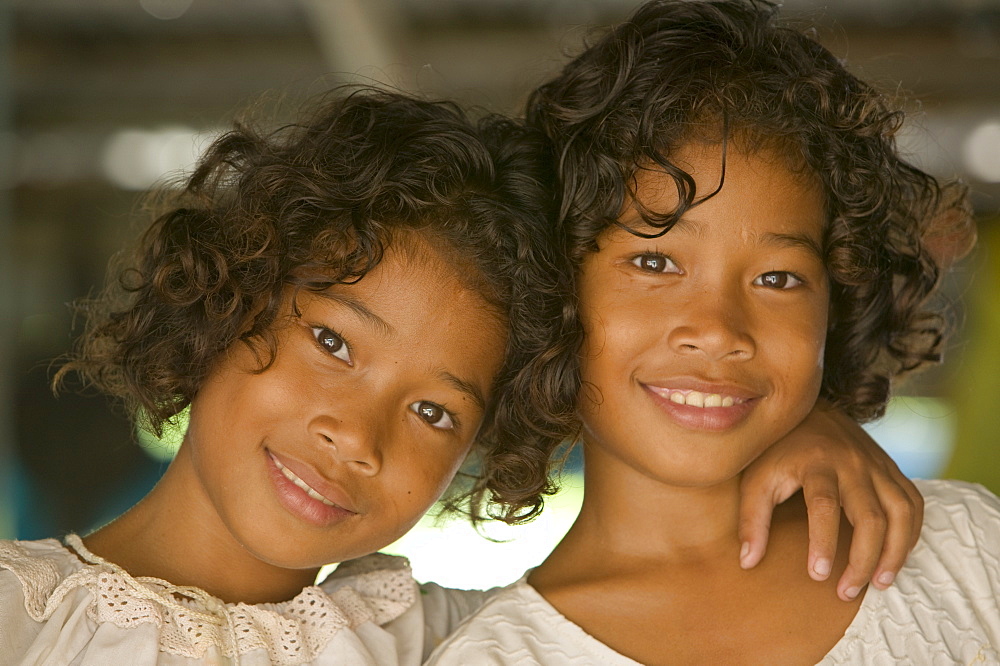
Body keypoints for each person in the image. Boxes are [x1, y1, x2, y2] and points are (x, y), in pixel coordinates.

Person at [0, 85, 925, 664]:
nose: (355, 438)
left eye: (437, 412)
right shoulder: (16, 614)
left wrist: (807, 418)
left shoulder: (447, 645)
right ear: (230, 288)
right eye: (333, 344)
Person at [427, 1, 997, 664]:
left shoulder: (964, 551)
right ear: (557, 285)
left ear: (837, 305)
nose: (719, 330)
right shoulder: (498, 656)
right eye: (655, 261)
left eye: (779, 279)